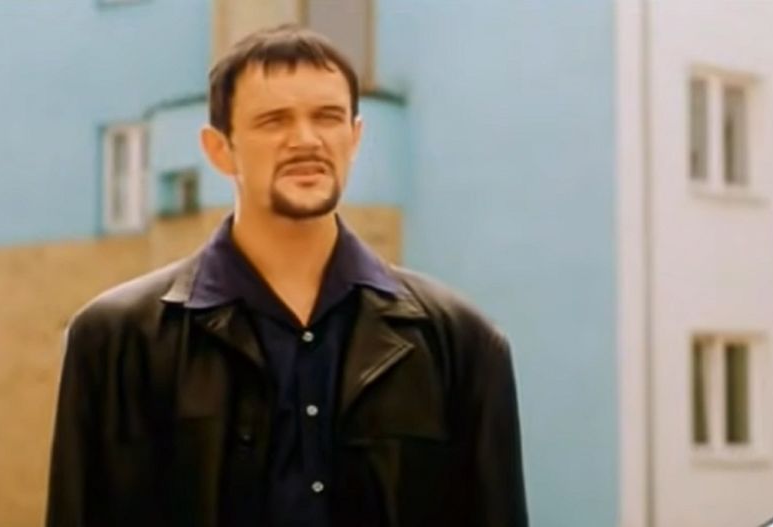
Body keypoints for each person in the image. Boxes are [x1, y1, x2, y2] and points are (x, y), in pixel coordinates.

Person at [46, 24, 527, 527]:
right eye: (274, 120)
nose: (306, 140)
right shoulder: (116, 341)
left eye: (328, 117)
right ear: (219, 149)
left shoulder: (459, 342)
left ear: (355, 137)